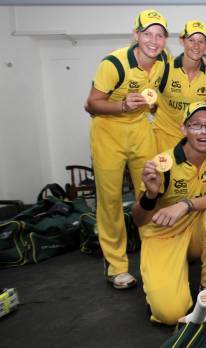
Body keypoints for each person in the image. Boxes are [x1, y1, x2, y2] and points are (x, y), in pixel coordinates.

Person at [84, 9, 169, 289]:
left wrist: (151, 105)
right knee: (109, 201)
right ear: (136, 35)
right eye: (148, 34)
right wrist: (122, 106)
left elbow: (155, 96)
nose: (153, 41)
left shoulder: (163, 62)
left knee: (149, 193)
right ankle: (117, 266)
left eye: (159, 35)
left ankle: (153, 257)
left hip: (140, 130)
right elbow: (91, 104)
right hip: (108, 131)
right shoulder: (114, 63)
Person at [132, 103, 206, 324]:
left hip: (195, 231)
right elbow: (138, 219)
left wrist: (184, 205)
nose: (202, 132)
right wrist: (150, 196)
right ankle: (159, 289)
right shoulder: (164, 163)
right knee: (170, 314)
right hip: (163, 236)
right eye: (196, 125)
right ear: (184, 129)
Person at [151, 20, 206, 153]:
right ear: (182, 41)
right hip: (163, 137)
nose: (196, 46)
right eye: (191, 40)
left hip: (192, 141)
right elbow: (150, 100)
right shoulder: (166, 67)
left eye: (201, 41)